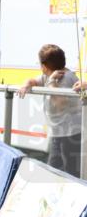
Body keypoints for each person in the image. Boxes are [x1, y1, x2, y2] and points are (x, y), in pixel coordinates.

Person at [18, 44, 82, 177]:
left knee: (71, 173)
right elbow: (33, 80)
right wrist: (26, 84)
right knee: (54, 170)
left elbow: (60, 103)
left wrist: (52, 82)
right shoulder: (49, 75)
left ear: (44, 66)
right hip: (59, 132)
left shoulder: (63, 78)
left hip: (70, 134)